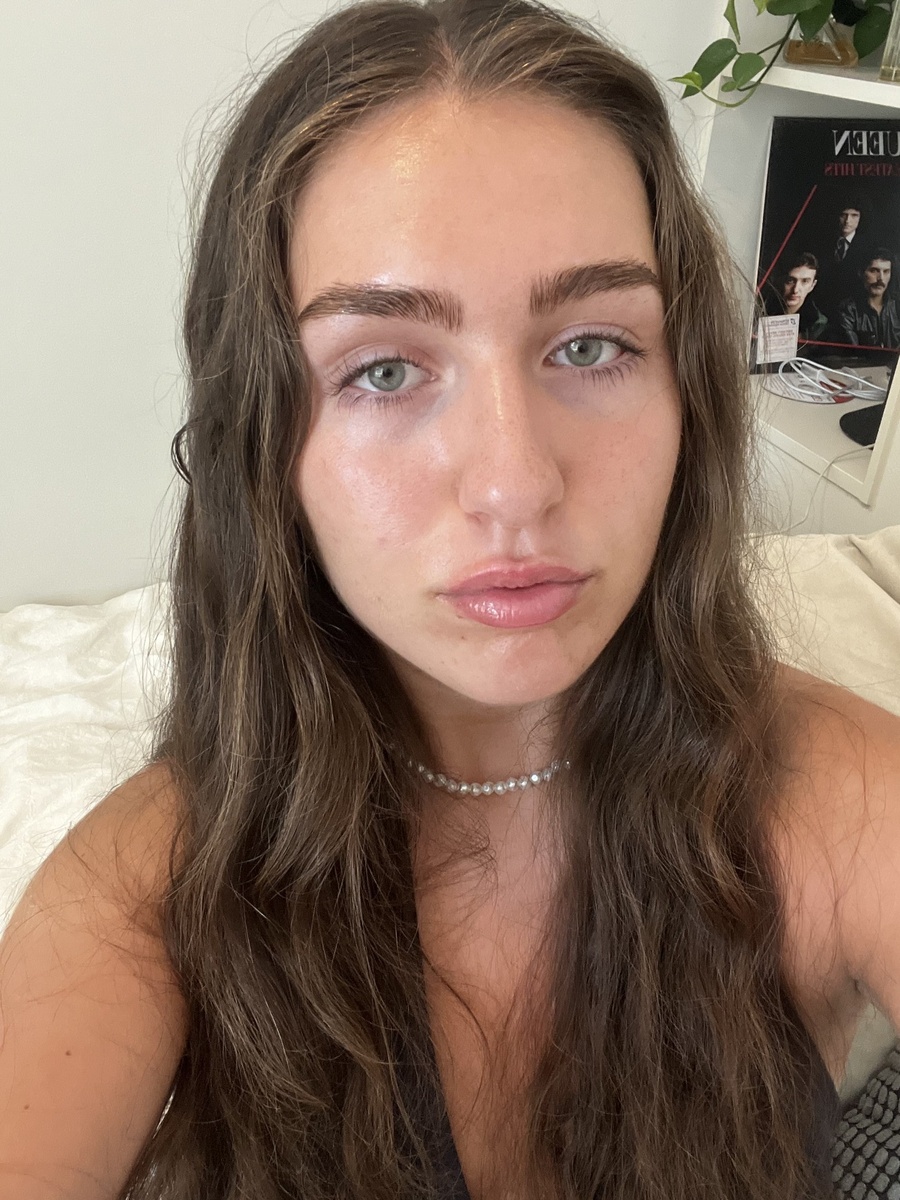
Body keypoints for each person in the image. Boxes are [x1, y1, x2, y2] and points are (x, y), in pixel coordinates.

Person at [1, 1, 898, 1199]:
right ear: (262, 445)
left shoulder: (835, 796)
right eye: (383, 369)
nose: (515, 484)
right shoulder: (149, 886)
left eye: (592, 347)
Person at [837, 248, 900, 349]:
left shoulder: (897, 305)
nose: (881, 278)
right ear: (861, 272)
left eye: (886, 271)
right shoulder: (849, 309)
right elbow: (853, 351)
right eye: (874, 271)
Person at [762, 251, 828, 342]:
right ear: (781, 280)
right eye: (790, 281)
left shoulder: (818, 325)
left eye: (805, 281)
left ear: (813, 285)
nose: (795, 290)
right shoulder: (762, 309)